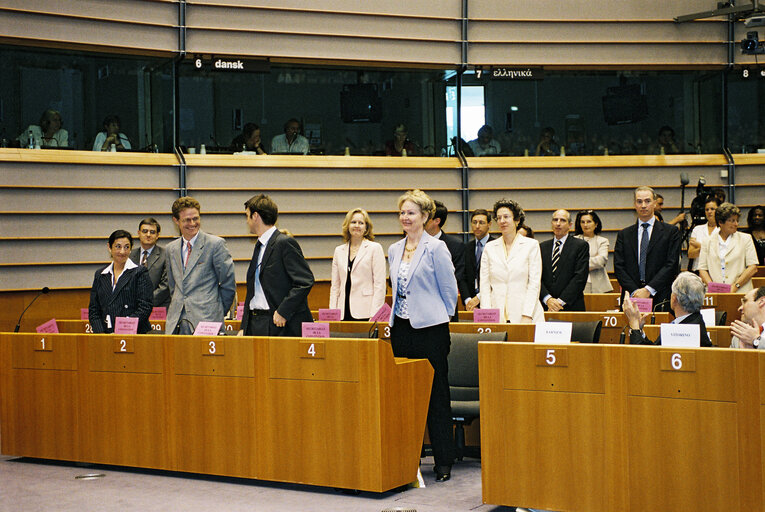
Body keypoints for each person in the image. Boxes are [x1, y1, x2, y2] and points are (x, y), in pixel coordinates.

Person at [388, 189, 457, 482]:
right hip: (402, 329)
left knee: (436, 396)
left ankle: (443, 461)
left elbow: (449, 291)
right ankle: (408, 461)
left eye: (411, 212)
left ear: (425, 216)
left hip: (431, 330)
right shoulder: (393, 249)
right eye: (402, 212)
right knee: (404, 397)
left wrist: (437, 317)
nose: (406, 217)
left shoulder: (436, 248)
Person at [241, 194, 314, 336]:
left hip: (278, 324)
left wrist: (283, 311)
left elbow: (305, 281)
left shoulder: (284, 243)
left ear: (255, 216)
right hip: (256, 323)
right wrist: (245, 327)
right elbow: (252, 292)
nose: (247, 221)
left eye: (247, 216)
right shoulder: (260, 246)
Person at [165, 197, 236, 335]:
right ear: (176, 221)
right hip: (176, 322)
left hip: (207, 321)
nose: (192, 223)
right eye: (186, 220)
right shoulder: (170, 249)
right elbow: (173, 287)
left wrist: (216, 310)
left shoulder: (215, 245)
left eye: (196, 218)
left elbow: (228, 284)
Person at [614, 186, 682, 311]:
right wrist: (636, 291)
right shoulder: (624, 234)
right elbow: (619, 267)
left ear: (655, 203)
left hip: (660, 295)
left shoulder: (670, 232)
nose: (643, 205)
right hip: (632, 296)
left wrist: (648, 289)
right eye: (639, 201)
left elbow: (671, 265)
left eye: (647, 201)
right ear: (634, 204)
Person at [480, 199, 544, 323]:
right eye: (498, 218)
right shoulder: (490, 247)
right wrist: (486, 314)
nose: (502, 221)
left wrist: (527, 315)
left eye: (506, 217)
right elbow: (485, 285)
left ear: (517, 220)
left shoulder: (531, 245)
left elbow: (534, 284)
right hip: (496, 312)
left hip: (525, 312)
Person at [88, 229, 153, 334]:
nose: (122, 251)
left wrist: (122, 329)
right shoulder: (100, 275)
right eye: (118, 246)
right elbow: (94, 310)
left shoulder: (139, 272)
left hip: (134, 334)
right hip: (106, 335)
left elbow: (145, 307)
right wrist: (101, 335)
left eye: (127, 247)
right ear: (109, 247)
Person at [623, 271, 712, 347]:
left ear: (674, 298)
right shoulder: (692, 321)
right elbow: (656, 350)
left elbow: (647, 360)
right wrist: (639, 331)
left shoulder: (684, 330)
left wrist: (634, 323)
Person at [329, 208, 386, 321]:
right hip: (342, 312)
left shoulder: (375, 248)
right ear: (347, 225)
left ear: (366, 228)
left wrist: (375, 314)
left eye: (361, 223)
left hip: (366, 311)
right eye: (353, 222)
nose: (357, 225)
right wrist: (332, 312)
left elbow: (380, 285)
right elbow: (335, 286)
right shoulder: (339, 251)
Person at [698, 202, 758, 293]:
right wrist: (713, 287)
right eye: (732, 221)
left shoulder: (746, 239)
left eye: (737, 221)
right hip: (714, 293)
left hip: (741, 291)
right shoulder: (707, 241)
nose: (736, 224)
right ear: (721, 222)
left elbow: (753, 268)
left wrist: (736, 286)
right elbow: (702, 269)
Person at [539, 209, 589, 311]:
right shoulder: (541, 247)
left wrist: (559, 302)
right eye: (555, 220)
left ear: (570, 225)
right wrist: (548, 299)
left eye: (562, 220)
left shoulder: (580, 246)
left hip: (571, 305)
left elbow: (580, 277)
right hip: (545, 306)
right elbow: (537, 277)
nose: (558, 223)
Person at [425, 200, 466, 321]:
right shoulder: (413, 243)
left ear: (437, 221)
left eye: (426, 217)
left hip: (444, 308)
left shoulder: (455, 245)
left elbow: (456, 277)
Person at [129, 218, 170, 308]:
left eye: (152, 232)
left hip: (158, 308)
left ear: (157, 235)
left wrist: (145, 303)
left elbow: (165, 286)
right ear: (139, 233)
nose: (148, 235)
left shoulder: (166, 255)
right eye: (145, 231)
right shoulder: (130, 256)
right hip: (132, 308)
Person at [463, 208, 497, 311]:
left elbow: (497, 277)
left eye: (481, 223)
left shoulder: (497, 246)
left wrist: (479, 297)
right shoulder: (466, 247)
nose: (477, 226)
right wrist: (468, 300)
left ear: (489, 224)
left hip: (492, 301)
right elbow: (462, 276)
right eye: (474, 222)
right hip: (470, 304)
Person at [574, 209, 613, 293]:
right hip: (577, 283)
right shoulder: (573, 240)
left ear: (596, 224)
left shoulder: (602, 241)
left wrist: (579, 264)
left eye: (589, 221)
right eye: (582, 222)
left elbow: (601, 261)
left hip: (599, 285)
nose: (585, 225)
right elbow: (568, 262)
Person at [687, 196, 720, 271]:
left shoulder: (723, 229)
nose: (709, 212)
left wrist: (700, 246)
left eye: (712, 209)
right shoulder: (697, 229)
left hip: (716, 270)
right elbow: (691, 254)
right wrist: (709, 249)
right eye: (707, 209)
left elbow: (719, 253)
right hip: (697, 270)